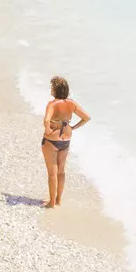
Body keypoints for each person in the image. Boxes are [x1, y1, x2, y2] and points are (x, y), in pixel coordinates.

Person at [41, 76, 90, 208]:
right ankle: (58, 200)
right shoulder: (71, 103)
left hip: (52, 140)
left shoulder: (52, 104)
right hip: (66, 139)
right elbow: (86, 117)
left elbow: (46, 120)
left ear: (55, 89)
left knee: (52, 172)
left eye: (52, 87)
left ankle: (51, 203)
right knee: (61, 171)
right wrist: (73, 127)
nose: (50, 89)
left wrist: (48, 131)